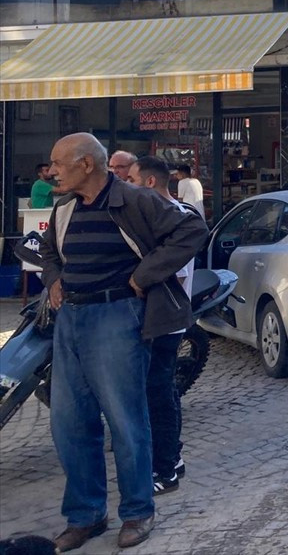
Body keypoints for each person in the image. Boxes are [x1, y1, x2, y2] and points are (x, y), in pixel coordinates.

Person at [40, 133, 206, 552]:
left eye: (59, 163)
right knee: (70, 426)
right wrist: (54, 279)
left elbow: (191, 229)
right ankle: (86, 516)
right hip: (70, 320)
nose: (52, 171)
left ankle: (137, 512)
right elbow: (48, 253)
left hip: (117, 317)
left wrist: (142, 276)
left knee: (127, 421)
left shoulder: (133, 200)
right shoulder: (63, 210)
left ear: (86, 165)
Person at [130, 156, 203, 497]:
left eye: (128, 177)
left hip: (166, 321)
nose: (122, 184)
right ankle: (167, 457)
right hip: (138, 320)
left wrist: (139, 274)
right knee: (154, 391)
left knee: (158, 391)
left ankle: (168, 465)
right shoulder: (140, 218)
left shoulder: (181, 220)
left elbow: (174, 271)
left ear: (147, 183)